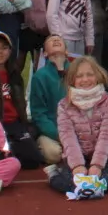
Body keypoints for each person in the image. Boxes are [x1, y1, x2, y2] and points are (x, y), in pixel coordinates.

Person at [49, 56, 108, 197]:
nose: (85, 80)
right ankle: (53, 175)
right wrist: (77, 166)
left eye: (90, 74)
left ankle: (89, 184)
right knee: (71, 184)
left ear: (98, 76)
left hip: (102, 158)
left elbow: (107, 135)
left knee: (107, 183)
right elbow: (67, 137)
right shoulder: (64, 105)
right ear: (72, 80)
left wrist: (97, 166)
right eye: (79, 76)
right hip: (75, 156)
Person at [0, 32, 44, 170]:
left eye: (4, 47)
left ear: (10, 52)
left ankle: (9, 148)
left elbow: (20, 103)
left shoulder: (14, 74)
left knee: (33, 160)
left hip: (13, 123)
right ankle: (5, 151)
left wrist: (23, 124)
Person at [29, 34, 70, 166]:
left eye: (59, 40)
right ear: (45, 53)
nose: (56, 40)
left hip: (78, 128)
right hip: (53, 131)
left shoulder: (78, 71)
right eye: (51, 41)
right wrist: (58, 135)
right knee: (53, 154)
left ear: (67, 51)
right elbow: (38, 113)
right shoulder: (39, 77)